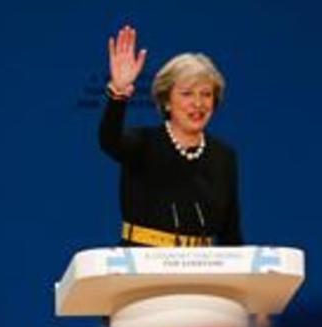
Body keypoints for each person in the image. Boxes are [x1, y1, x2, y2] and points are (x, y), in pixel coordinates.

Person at [99, 25, 242, 247]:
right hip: (142, 269)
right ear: (166, 100)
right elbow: (109, 140)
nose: (198, 103)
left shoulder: (224, 156)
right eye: (186, 94)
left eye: (206, 94)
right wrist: (118, 92)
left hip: (202, 272)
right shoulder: (142, 144)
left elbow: (231, 233)